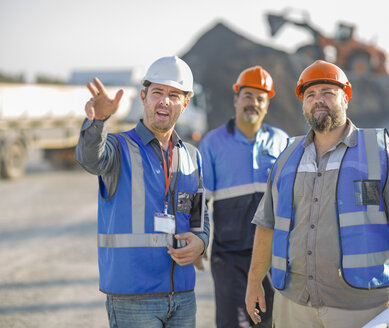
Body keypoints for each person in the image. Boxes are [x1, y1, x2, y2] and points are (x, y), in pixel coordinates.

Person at [245, 60, 389, 328]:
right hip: (295, 305)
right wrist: (253, 282)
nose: (318, 100)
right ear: (304, 104)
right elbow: (267, 225)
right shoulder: (287, 156)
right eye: (311, 95)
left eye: (328, 93)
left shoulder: (378, 151)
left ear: (346, 98)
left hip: (365, 306)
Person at [75, 56, 210, 328]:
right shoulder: (118, 147)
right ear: (144, 97)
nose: (164, 101)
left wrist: (201, 241)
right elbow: (90, 158)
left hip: (183, 295)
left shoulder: (191, 156)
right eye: (157, 92)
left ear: (185, 104)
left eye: (174, 95)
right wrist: (99, 122)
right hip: (132, 298)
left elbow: (198, 215)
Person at [199, 66, 289, 327]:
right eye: (248, 96)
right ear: (236, 99)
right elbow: (199, 197)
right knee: (232, 323)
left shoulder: (281, 141)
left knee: (272, 322)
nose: (253, 103)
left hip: (274, 255)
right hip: (229, 256)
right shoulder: (212, 143)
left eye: (260, 99)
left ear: (267, 105)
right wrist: (197, 236)